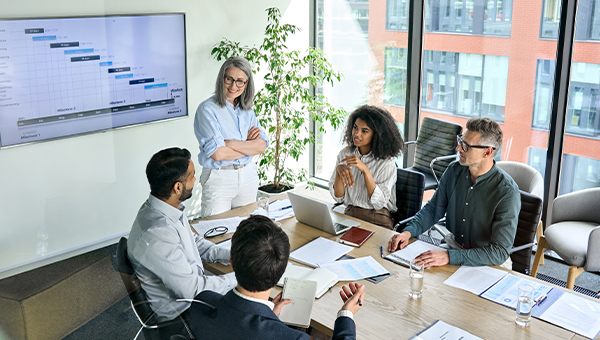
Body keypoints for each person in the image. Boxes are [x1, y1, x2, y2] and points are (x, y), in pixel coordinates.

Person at [187, 215, 364, 340]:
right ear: (282, 270)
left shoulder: (200, 304)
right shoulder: (292, 337)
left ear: (232, 263)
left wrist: (268, 318)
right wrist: (346, 314)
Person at [127, 147, 236, 338]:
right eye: (192, 176)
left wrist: (230, 254)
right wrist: (242, 276)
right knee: (252, 315)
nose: (196, 180)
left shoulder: (164, 208)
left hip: (189, 299)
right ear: (178, 187)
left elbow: (193, 242)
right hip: (181, 318)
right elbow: (193, 290)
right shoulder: (157, 233)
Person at [387, 117, 521, 268]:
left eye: (466, 146)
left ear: (487, 152)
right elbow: (433, 210)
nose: (458, 149)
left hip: (488, 261)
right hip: (453, 247)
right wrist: (407, 233)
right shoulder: (453, 170)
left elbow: (498, 252)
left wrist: (449, 257)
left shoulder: (507, 193)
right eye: (460, 141)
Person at [194, 56, 269, 216]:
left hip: (248, 175)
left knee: (247, 233)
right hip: (220, 177)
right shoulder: (207, 110)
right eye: (229, 79)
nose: (234, 85)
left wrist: (229, 143)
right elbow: (218, 153)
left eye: (240, 81)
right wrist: (248, 145)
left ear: (247, 84)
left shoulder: (247, 110)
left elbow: (261, 146)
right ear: (222, 78)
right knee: (216, 233)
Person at [329, 105, 405, 229]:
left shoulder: (386, 162)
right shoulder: (345, 153)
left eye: (364, 131)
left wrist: (365, 170)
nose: (357, 134)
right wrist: (339, 171)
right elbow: (338, 198)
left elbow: (379, 203)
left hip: (377, 218)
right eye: (355, 128)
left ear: (377, 135)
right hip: (350, 214)